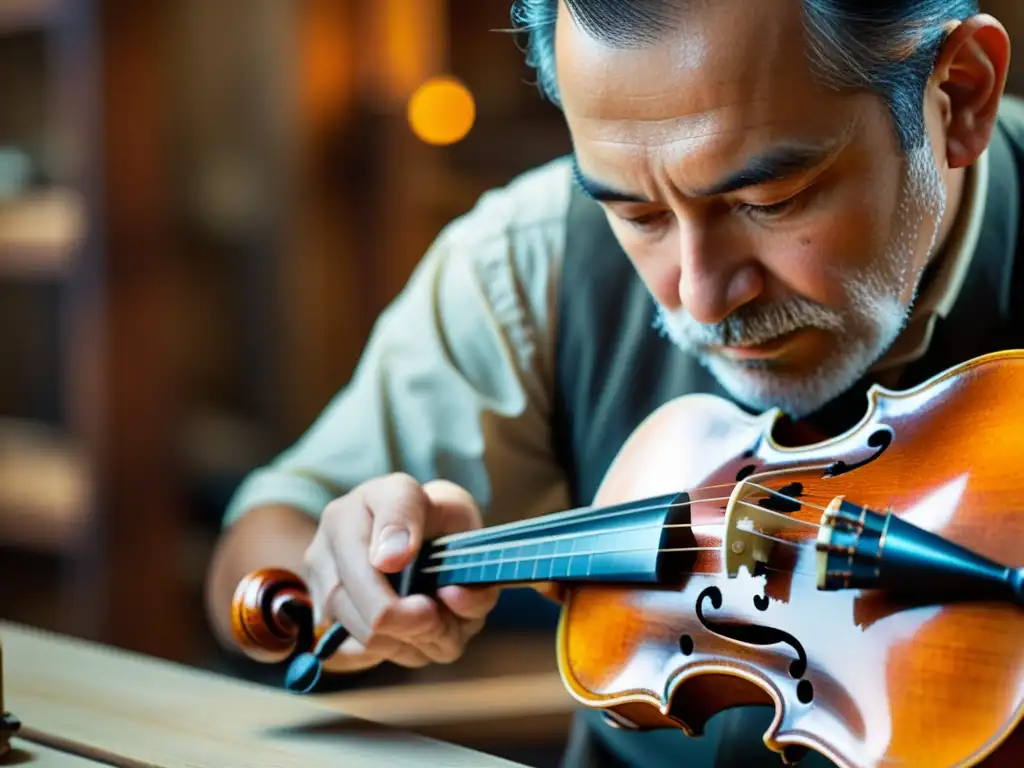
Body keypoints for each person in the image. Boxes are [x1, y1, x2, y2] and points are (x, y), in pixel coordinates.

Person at [204, 1, 1021, 765]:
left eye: (771, 199)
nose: (698, 297)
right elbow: (262, 546)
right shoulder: (528, 261)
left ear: (962, 93)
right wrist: (342, 575)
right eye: (638, 216)